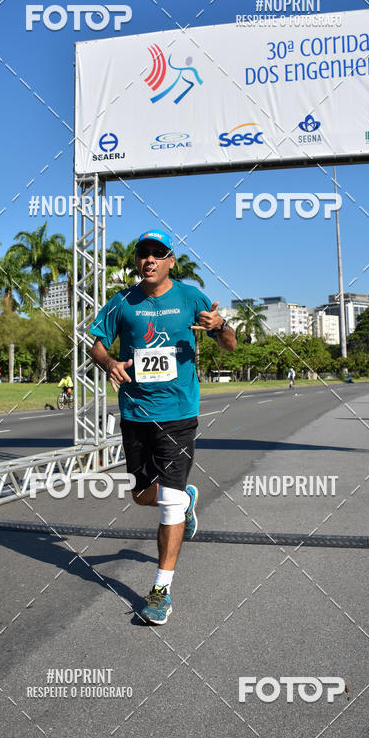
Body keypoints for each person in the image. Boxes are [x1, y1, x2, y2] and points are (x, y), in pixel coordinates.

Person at [90, 229, 236, 624]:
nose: (149, 260)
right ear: (137, 262)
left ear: (172, 260)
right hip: (136, 413)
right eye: (143, 254)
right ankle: (186, 497)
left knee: (167, 502)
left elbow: (231, 344)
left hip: (179, 412)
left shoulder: (191, 298)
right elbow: (96, 342)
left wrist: (220, 326)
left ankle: (161, 590)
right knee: (140, 496)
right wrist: (110, 363)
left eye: (158, 253)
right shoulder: (122, 301)